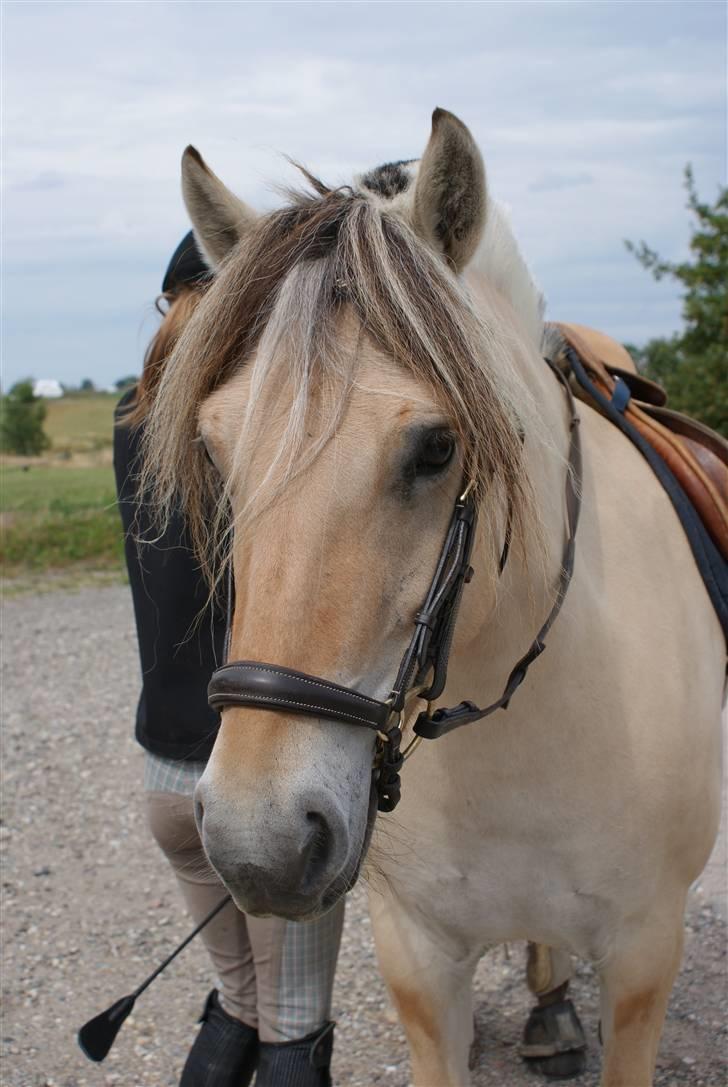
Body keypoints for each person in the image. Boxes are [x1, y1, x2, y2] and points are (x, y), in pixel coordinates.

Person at [113, 232, 344, 1087]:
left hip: (169, 784)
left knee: (236, 1002)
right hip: (253, 775)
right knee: (291, 1027)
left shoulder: (132, 419)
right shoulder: (253, 424)